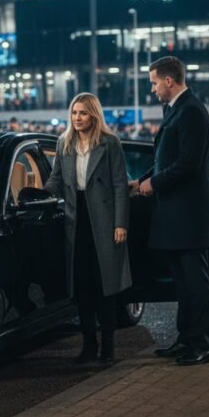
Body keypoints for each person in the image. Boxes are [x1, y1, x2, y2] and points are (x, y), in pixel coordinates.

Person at [132, 56, 209, 366]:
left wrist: (154, 184)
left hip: (190, 214)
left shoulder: (192, 111)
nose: (153, 89)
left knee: (195, 282)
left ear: (169, 81)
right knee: (183, 283)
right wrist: (143, 179)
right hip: (176, 213)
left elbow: (188, 163)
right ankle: (185, 340)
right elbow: (164, 158)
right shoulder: (178, 110)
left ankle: (201, 345)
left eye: (155, 82)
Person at [44, 92, 131, 365]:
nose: (77, 118)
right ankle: (88, 346)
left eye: (82, 113)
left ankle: (108, 347)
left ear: (93, 114)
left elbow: (120, 185)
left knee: (104, 286)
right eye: (74, 113)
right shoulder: (64, 143)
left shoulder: (110, 142)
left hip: (104, 220)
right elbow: (56, 180)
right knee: (81, 287)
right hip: (75, 219)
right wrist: (36, 196)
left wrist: (120, 223)